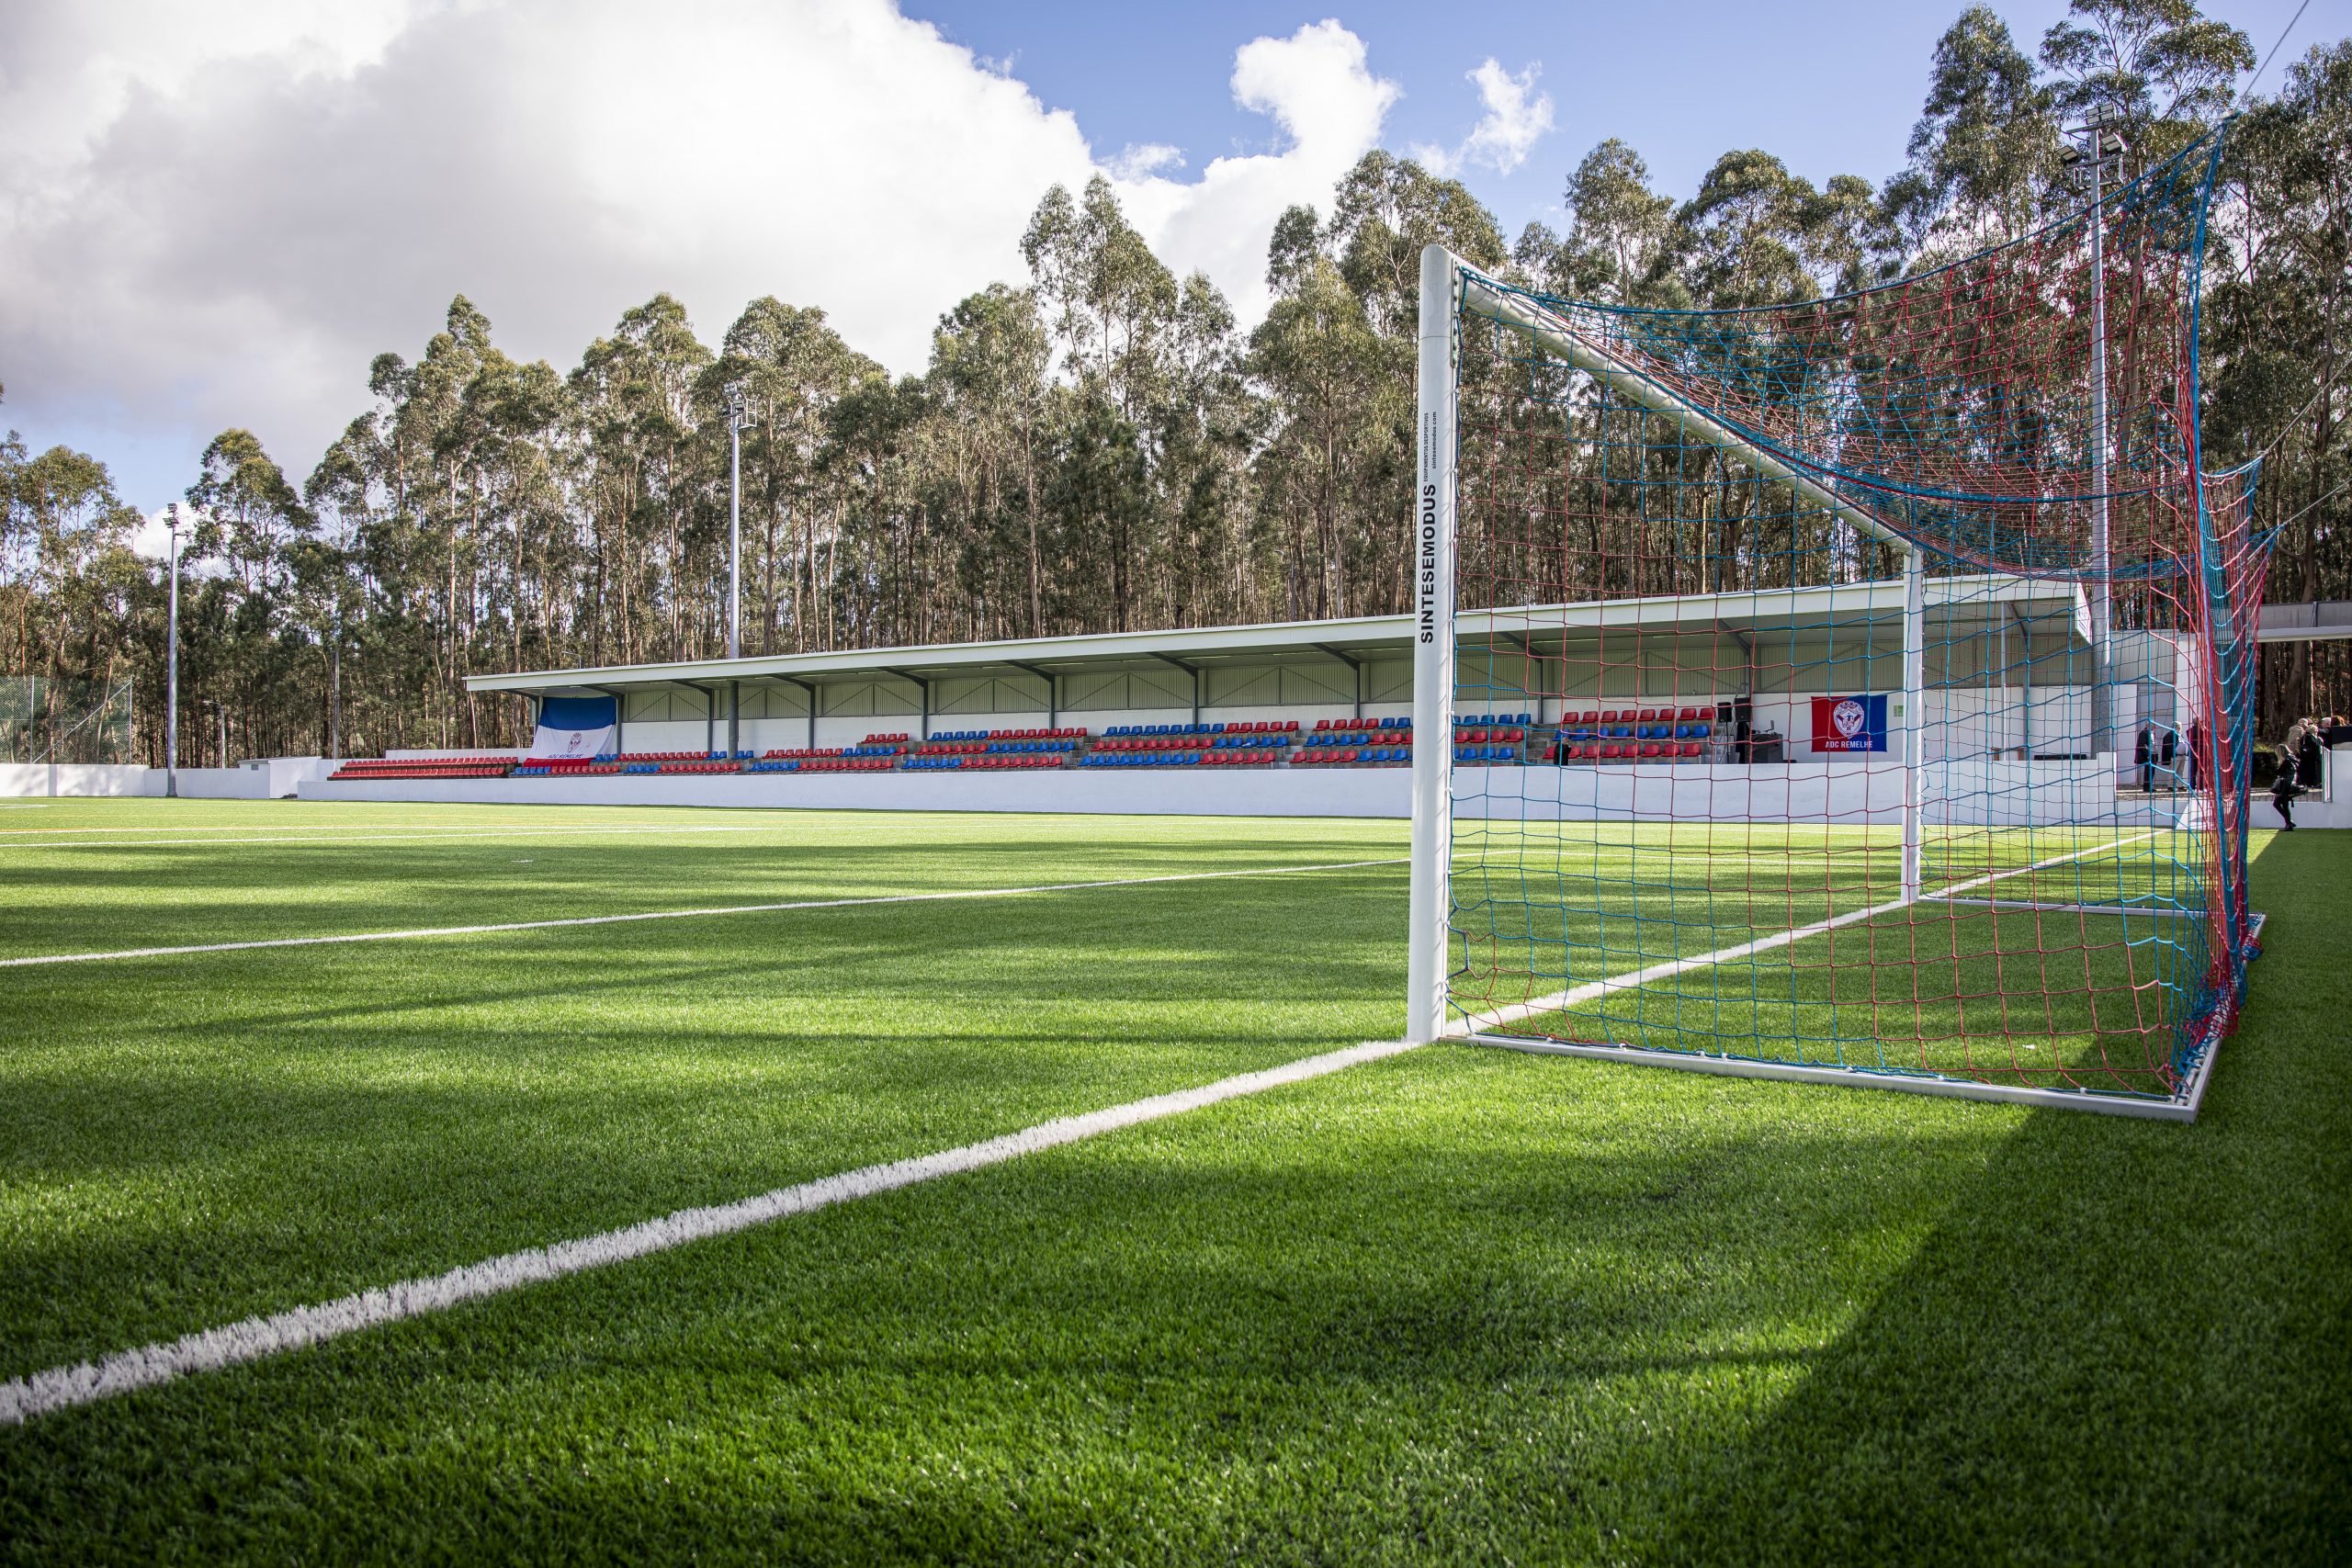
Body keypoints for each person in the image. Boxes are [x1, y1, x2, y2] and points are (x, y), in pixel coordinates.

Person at [2272, 728, 2302, 831]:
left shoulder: (2286, 761)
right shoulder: (2292, 758)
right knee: (2281, 804)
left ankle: (2289, 823)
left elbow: (2278, 772)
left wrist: (2276, 767)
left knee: (2281, 804)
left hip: (2286, 784)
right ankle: (2289, 822)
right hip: (2289, 783)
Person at [2187, 716, 2205, 791]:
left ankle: (2192, 786)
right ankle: (2200, 787)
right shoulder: (2202, 731)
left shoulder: (2189, 731)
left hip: (2192, 752)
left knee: (2193, 771)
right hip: (2200, 753)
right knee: (2201, 771)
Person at [2135, 723, 2154, 792]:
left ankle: (2150, 786)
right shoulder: (2143, 733)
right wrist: (2148, 754)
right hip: (2148, 756)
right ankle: (2146, 787)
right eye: (2152, 726)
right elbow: (2142, 744)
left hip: (2153, 754)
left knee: (2152, 772)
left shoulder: (2151, 733)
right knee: (2148, 772)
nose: (2154, 728)